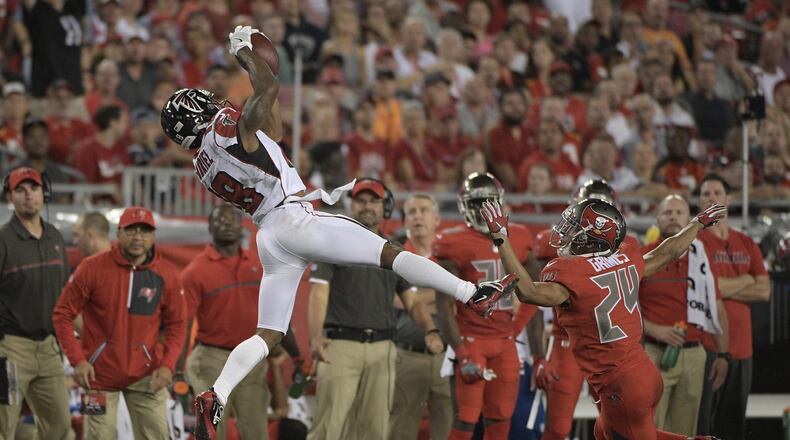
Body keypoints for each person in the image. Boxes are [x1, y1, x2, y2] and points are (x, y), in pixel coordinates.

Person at [159, 26, 515, 440]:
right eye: (207, 102)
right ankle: (472, 293)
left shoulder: (202, 162)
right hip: (294, 219)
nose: (216, 102)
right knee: (389, 253)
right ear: (198, 112)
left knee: (269, 333)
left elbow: (271, 132)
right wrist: (247, 57)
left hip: (269, 236)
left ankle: (217, 393)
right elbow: (266, 94)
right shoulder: (223, 129)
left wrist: (262, 77)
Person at [480, 195, 727, 440]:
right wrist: (696, 224)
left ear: (593, 237)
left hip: (622, 385)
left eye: (575, 229)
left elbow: (529, 292)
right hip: (643, 374)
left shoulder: (572, 275)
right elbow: (668, 252)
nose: (566, 234)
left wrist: (501, 238)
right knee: (604, 431)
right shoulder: (627, 257)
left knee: (621, 432)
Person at [307, 179, 443, 440]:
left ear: (385, 207)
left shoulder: (394, 251)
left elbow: (412, 301)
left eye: (373, 201)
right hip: (340, 345)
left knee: (375, 429)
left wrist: (430, 329)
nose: (367, 206)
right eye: (360, 201)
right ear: (351, 205)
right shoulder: (332, 243)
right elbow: (319, 293)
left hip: (383, 348)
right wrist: (315, 337)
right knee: (329, 428)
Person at [51, 206, 187, 439]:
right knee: (97, 437)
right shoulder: (91, 267)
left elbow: (178, 324)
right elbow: (62, 314)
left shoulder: (167, 274)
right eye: (131, 230)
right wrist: (78, 361)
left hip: (147, 375)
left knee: (157, 435)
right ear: (118, 233)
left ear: (153, 236)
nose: (137, 237)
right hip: (98, 376)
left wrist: (168, 365)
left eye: (144, 231)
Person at [532, 179, 641, 440]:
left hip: (608, 347)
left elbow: (634, 303)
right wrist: (538, 355)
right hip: (567, 343)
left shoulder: (626, 246)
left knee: (618, 425)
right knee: (558, 428)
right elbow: (533, 300)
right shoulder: (550, 243)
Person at [434, 172, 538, 440]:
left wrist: (516, 329)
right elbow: (443, 305)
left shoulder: (520, 235)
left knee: (501, 417)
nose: (483, 210)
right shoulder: (453, 242)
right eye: (476, 203)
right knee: (466, 418)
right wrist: (461, 353)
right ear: (464, 206)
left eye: (489, 202)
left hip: (505, 341)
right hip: (472, 339)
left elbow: (535, 291)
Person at [640, 195, 730, 436]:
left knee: (684, 433)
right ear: (657, 219)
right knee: (649, 429)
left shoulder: (701, 259)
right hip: (653, 353)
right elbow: (624, 309)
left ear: (689, 219)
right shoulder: (642, 257)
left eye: (679, 212)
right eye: (667, 212)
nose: (673, 217)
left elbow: (716, 306)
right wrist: (653, 329)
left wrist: (723, 355)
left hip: (693, 356)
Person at [181, 205, 272, 440]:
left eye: (231, 219)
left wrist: (295, 356)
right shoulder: (195, 271)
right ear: (210, 228)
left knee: (256, 431)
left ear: (242, 226)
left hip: (251, 357)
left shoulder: (259, 264)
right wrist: (178, 370)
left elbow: (274, 311)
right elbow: (183, 323)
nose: (226, 224)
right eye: (219, 220)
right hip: (212, 357)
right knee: (213, 431)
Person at [696, 174, 771, 440]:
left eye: (717, 192)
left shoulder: (746, 242)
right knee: (704, 426)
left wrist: (723, 286)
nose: (711, 198)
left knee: (734, 425)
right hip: (709, 346)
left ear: (728, 199)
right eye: (705, 194)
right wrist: (746, 279)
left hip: (742, 348)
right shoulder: (696, 242)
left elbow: (765, 290)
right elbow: (706, 289)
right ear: (699, 202)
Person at [0, 167, 72, 439]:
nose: (28, 195)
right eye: (20, 190)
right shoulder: (3, 240)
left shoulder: (55, 236)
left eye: (34, 188)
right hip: (10, 347)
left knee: (60, 428)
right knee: (3, 428)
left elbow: (64, 294)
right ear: (10, 197)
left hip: (49, 348)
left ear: (45, 193)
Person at [389, 194, 453, 440]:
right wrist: (440, 294)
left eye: (424, 210)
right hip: (407, 355)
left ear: (436, 219)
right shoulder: (393, 254)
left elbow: (458, 302)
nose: (418, 216)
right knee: (399, 430)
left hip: (447, 357)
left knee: (447, 429)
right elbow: (393, 299)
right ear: (404, 220)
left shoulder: (450, 255)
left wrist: (414, 298)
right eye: (412, 211)